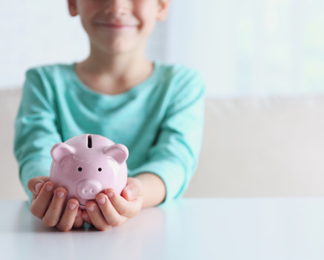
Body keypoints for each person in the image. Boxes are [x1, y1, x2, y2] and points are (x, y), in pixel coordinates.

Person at [14, 0, 205, 232]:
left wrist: (134, 195)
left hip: (151, 232)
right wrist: (49, 192)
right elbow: (36, 151)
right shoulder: (43, 83)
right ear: (73, 4)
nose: (116, 7)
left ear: (162, 6)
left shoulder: (181, 85)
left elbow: (175, 161)